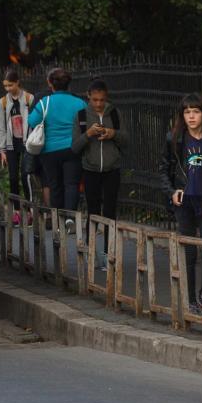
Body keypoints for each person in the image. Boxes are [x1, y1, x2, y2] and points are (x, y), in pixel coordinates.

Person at [161, 93, 202, 317]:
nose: (191, 116)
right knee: (188, 251)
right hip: (184, 202)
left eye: (196, 111)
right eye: (187, 112)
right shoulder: (174, 140)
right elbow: (163, 171)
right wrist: (172, 193)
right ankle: (189, 298)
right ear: (182, 115)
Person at [72, 79, 128, 268]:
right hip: (91, 169)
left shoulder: (114, 113)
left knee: (110, 211)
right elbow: (74, 146)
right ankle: (91, 252)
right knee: (93, 211)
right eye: (95, 100)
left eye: (102, 100)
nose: (98, 104)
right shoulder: (81, 115)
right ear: (89, 97)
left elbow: (126, 139)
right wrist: (88, 134)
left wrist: (113, 133)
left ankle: (108, 253)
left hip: (112, 169)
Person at [27, 67, 87, 211]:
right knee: (72, 184)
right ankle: (70, 218)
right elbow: (85, 125)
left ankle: (59, 219)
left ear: (50, 83)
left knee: (55, 185)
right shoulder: (79, 102)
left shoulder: (44, 102)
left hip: (49, 151)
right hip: (73, 149)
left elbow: (32, 121)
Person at [0, 69, 35, 214]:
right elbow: (1, 126)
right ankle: (16, 211)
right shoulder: (3, 102)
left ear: (17, 82)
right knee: (13, 177)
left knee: (26, 175)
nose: (8, 89)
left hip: (26, 142)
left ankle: (30, 209)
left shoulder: (28, 98)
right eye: (5, 86)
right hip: (10, 143)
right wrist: (2, 150)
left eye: (11, 85)